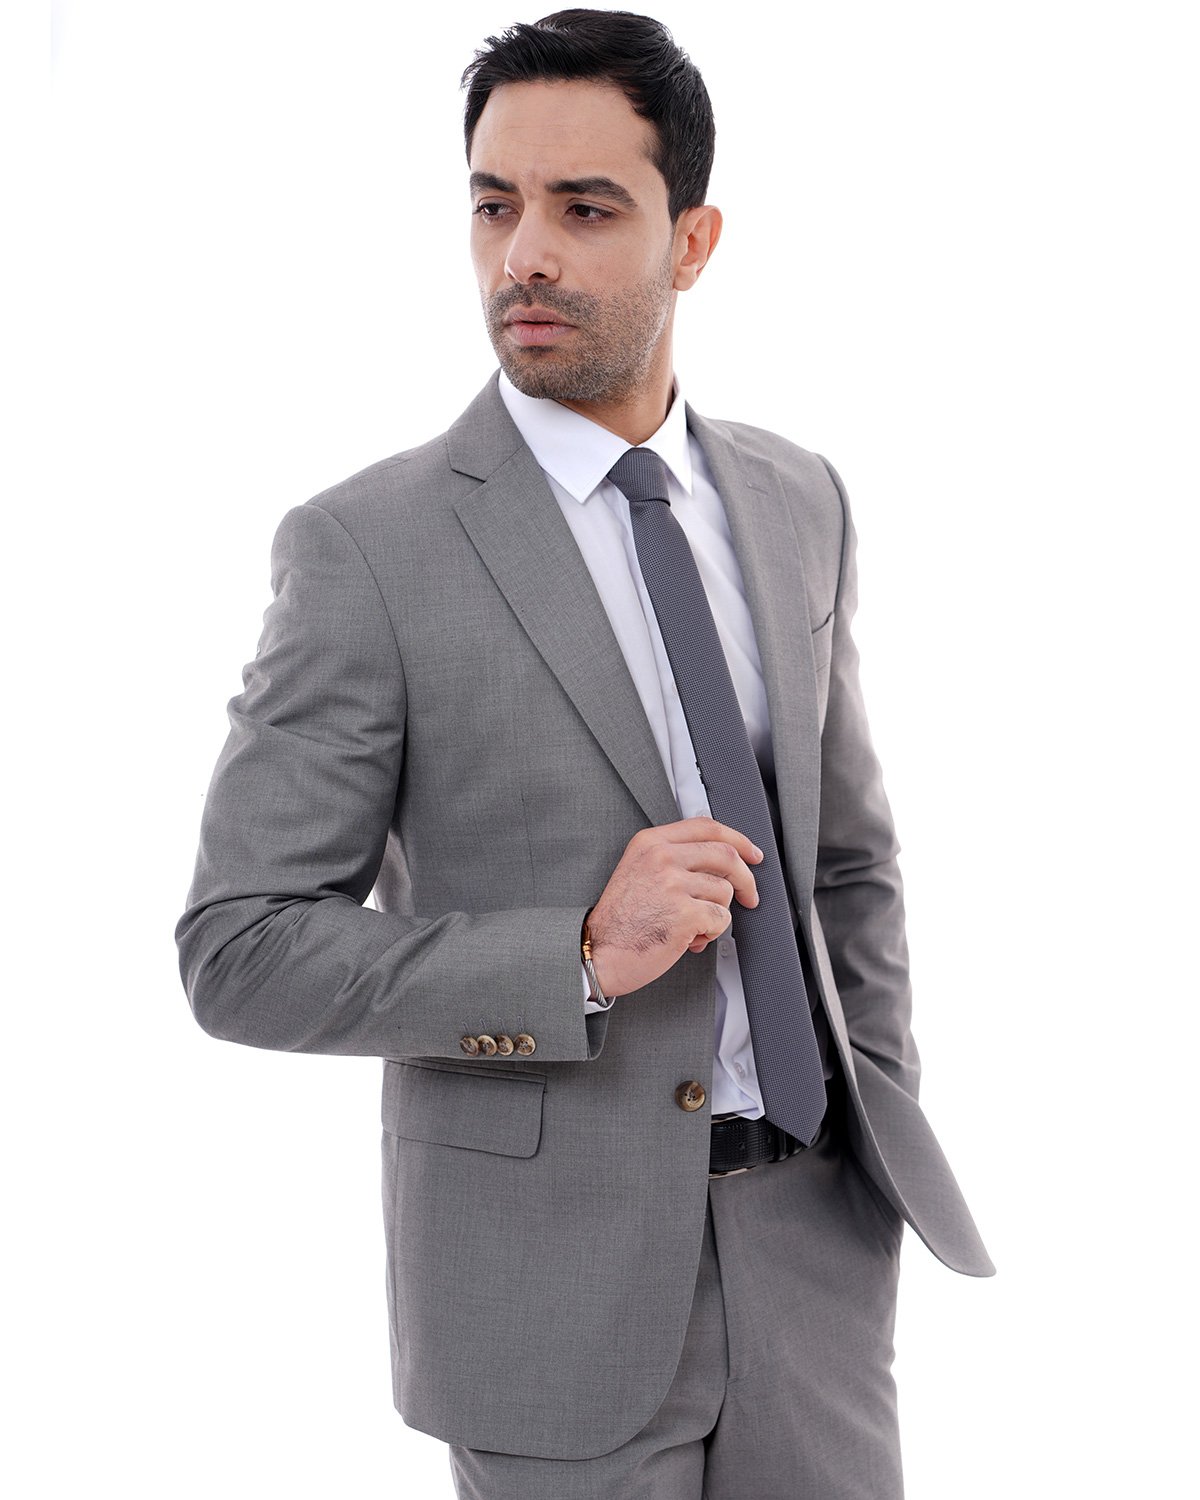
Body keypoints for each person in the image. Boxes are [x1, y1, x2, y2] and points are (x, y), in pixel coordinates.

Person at [177, 10, 993, 1497]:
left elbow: (849, 862)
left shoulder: (797, 498)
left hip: (817, 1257)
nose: (524, 257)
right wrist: (575, 957)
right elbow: (239, 950)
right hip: (544, 1293)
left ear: (695, 241)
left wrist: (869, 1100)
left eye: (586, 208)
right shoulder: (370, 549)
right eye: (494, 206)